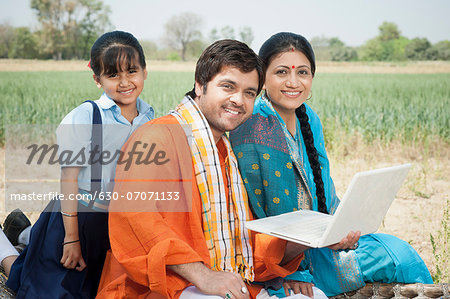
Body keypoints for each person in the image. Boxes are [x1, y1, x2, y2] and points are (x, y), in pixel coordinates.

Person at [96, 39, 357, 299]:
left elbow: (245, 242)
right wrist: (203, 275)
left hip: (226, 280)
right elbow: (134, 218)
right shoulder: (155, 137)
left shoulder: (225, 151)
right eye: (228, 87)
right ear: (200, 85)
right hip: (163, 287)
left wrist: (318, 237)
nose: (238, 100)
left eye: (249, 93)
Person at [229, 32, 433, 297]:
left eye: (302, 72)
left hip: (321, 239)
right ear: (262, 78)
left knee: (400, 253)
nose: (293, 82)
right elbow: (265, 213)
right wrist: (294, 271)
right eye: (281, 72)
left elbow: (324, 189)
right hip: (276, 258)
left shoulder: (308, 118)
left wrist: (342, 229)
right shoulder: (256, 124)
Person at [0, 30, 154, 298]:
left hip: (117, 224)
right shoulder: (84, 116)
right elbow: (69, 179)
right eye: (113, 74)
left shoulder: (150, 116)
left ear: (144, 71)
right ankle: (5, 247)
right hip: (76, 219)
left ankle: (26, 234)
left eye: (132, 71)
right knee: (37, 287)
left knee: (100, 288)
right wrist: (72, 238)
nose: (125, 81)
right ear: (97, 78)